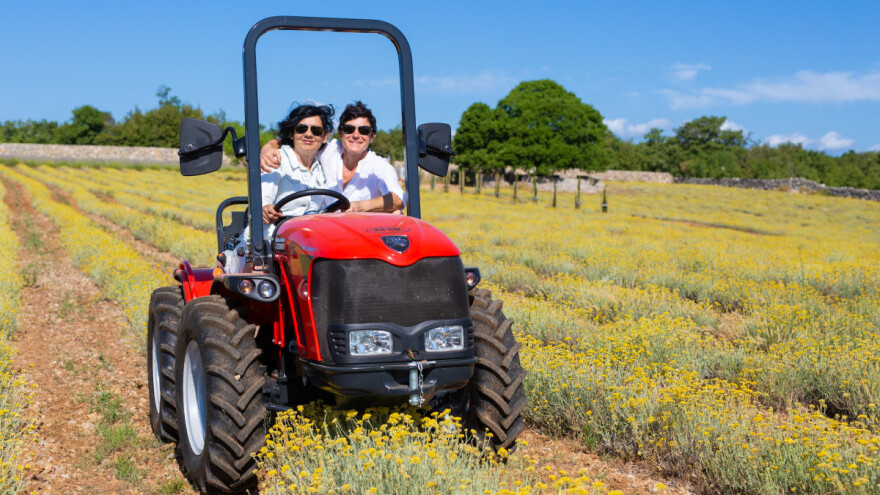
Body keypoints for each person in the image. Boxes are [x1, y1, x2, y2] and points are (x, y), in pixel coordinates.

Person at [223, 103, 334, 272]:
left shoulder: (324, 167)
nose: (309, 134)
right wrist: (265, 208)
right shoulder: (276, 159)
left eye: (316, 131)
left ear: (325, 136)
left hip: (308, 246)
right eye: (302, 129)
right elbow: (262, 199)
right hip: (273, 241)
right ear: (292, 133)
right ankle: (233, 263)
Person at [261, 101, 404, 213]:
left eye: (364, 130)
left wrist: (357, 207)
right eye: (349, 129)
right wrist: (269, 147)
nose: (355, 135)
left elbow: (399, 199)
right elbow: (297, 141)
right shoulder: (327, 151)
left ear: (372, 137)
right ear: (340, 133)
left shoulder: (380, 166)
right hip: (313, 236)